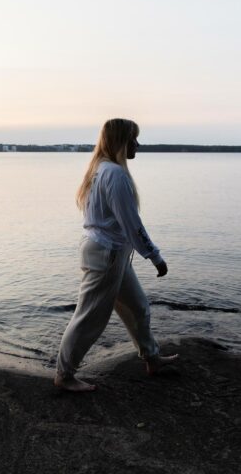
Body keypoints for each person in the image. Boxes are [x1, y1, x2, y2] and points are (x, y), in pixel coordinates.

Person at [54, 118, 178, 392]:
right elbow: (131, 224)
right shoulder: (115, 174)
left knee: (138, 307)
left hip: (110, 252)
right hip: (106, 255)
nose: (137, 144)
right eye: (133, 139)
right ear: (121, 141)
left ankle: (152, 358)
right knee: (89, 317)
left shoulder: (99, 169)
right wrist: (155, 257)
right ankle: (65, 375)